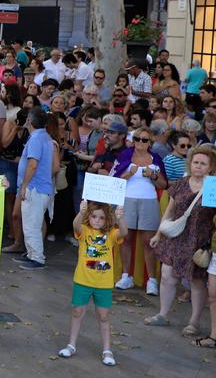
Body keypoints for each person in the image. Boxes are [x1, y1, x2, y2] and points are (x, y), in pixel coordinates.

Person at [145, 144, 216, 335]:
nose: (198, 166)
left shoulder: (213, 186)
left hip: (199, 241)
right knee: (167, 275)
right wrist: (158, 234)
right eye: (195, 162)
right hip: (176, 237)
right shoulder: (181, 184)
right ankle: (162, 314)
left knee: (196, 281)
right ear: (190, 164)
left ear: (210, 167)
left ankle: (194, 322)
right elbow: (169, 211)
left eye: (203, 163)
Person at [56, 200, 127, 367]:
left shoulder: (111, 234)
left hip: (104, 283)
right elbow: (76, 226)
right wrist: (81, 212)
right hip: (83, 280)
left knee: (104, 316)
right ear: (89, 217)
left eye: (101, 218)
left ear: (107, 219)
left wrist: (120, 218)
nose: (97, 220)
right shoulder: (85, 230)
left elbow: (124, 232)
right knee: (77, 312)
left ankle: (107, 350)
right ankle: (71, 345)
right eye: (94, 216)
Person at [111, 126, 167, 294]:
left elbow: (163, 184)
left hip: (149, 201)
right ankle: (126, 276)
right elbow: (115, 180)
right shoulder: (125, 155)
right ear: (133, 140)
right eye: (137, 139)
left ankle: (152, 280)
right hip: (127, 200)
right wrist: (128, 174)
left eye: (144, 139)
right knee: (126, 238)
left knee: (149, 242)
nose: (140, 142)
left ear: (150, 142)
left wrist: (153, 176)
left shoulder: (156, 158)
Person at [14, 107, 56, 270]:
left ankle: (37, 258)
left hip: (35, 188)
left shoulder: (37, 138)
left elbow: (32, 164)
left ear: (29, 121)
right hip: (40, 187)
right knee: (32, 223)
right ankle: (32, 254)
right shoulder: (44, 136)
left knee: (31, 225)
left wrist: (24, 185)